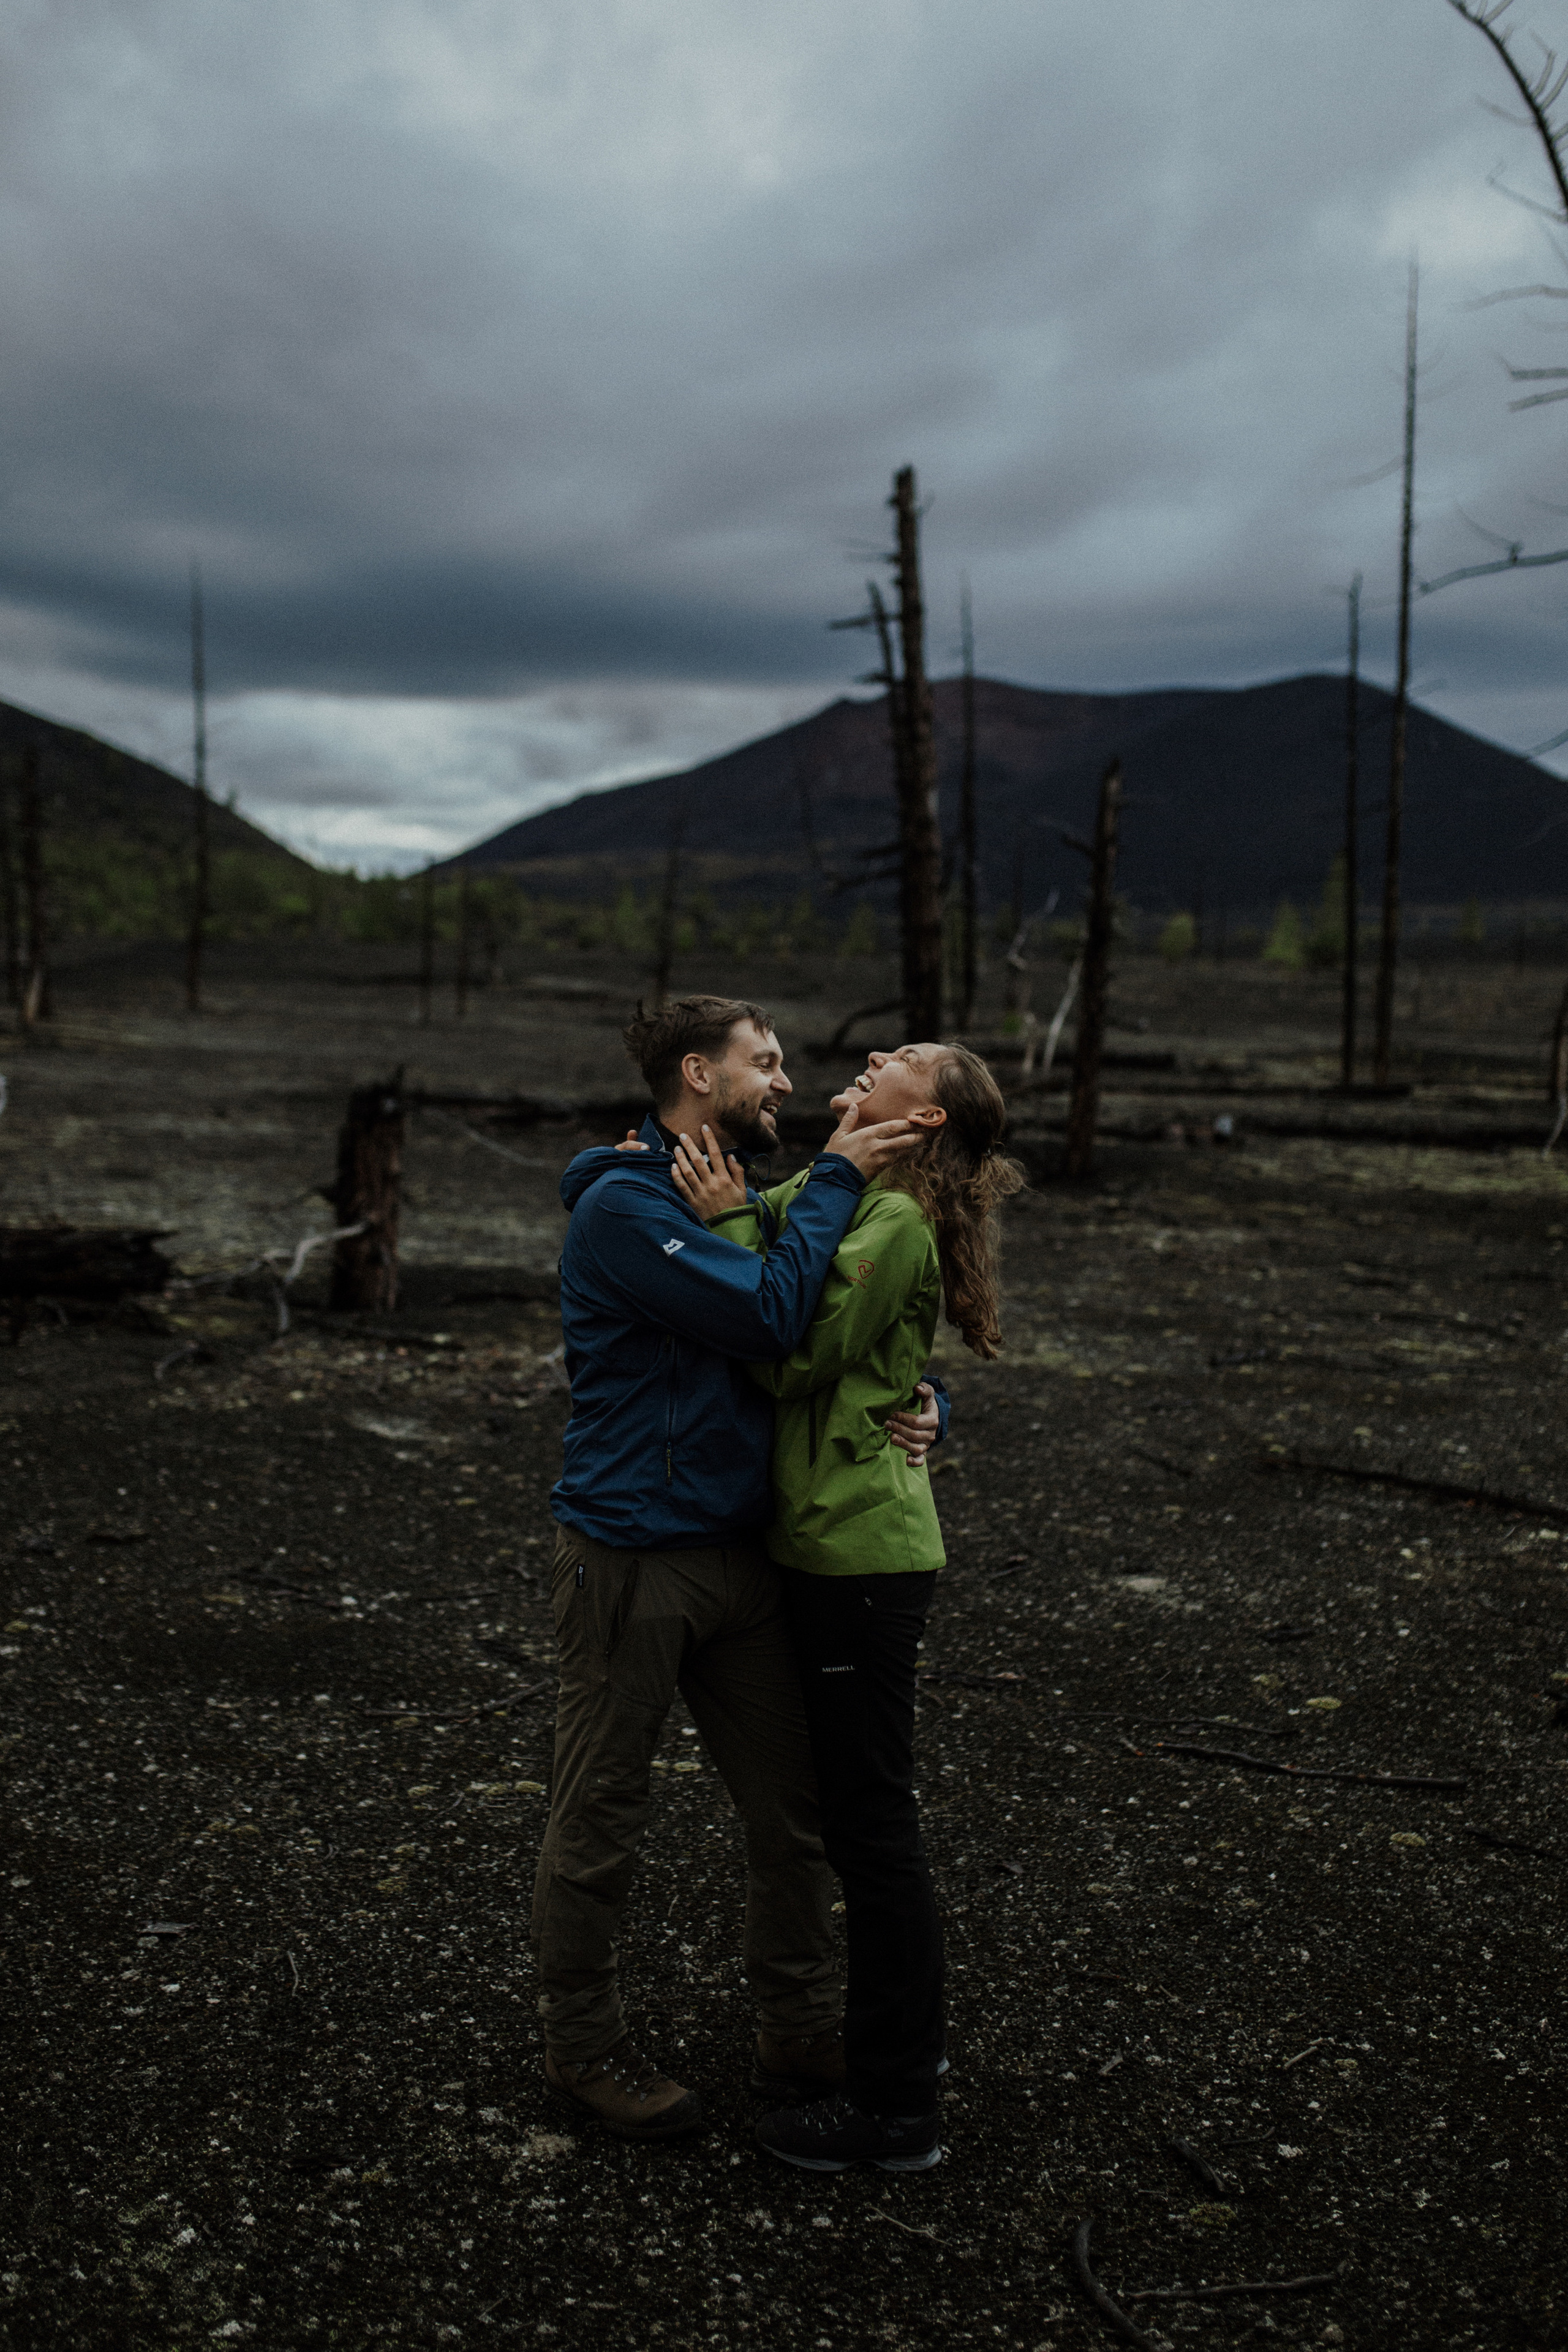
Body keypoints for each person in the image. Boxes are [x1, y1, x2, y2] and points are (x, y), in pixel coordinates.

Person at [532, 995, 946, 2143]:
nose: (788, 1085)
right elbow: (770, 1315)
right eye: (766, 1065)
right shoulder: (626, 1206)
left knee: (795, 1813)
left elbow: (849, 1324)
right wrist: (838, 1179)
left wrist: (926, 1402)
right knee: (600, 1816)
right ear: (697, 1077)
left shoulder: (736, 1196)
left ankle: (801, 2027)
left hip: (747, 1556)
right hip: (630, 1560)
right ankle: (585, 2051)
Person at [666, 1041, 1022, 2173]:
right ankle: (894, 2054)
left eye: (906, 1060)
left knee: (872, 1830)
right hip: (831, 1543)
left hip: (861, 1560)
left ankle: (898, 2106)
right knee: (859, 1818)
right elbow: (778, 1234)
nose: (876, 1053)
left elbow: (789, 1351)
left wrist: (725, 1233)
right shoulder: (856, 1196)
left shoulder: (898, 1223)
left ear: (925, 1122)